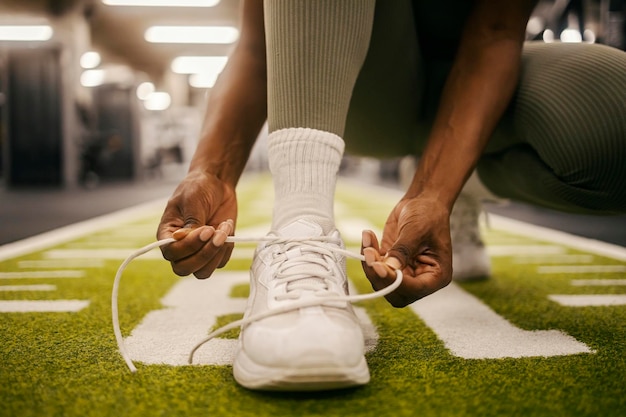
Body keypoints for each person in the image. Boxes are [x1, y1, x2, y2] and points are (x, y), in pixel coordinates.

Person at [156, 0, 626, 390]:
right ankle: (304, 222)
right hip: (358, 86)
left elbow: (497, 31)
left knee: (609, 115)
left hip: (480, 81)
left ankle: (460, 181)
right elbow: (261, 49)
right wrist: (212, 171)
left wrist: (435, 194)